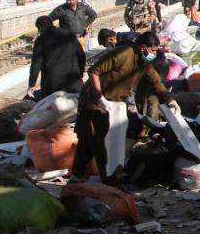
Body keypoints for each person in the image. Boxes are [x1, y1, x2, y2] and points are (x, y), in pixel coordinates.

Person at [73, 32, 176, 184]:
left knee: (88, 142)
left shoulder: (144, 63)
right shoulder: (122, 54)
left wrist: (170, 100)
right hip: (95, 102)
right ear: (143, 48)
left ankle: (76, 177)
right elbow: (93, 71)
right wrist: (100, 97)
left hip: (114, 105)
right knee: (101, 142)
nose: (155, 53)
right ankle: (109, 181)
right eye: (153, 50)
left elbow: (156, 83)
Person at [28, 16, 85, 99]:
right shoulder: (69, 34)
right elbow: (81, 56)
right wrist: (80, 73)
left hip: (52, 87)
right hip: (74, 82)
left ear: (41, 27)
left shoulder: (41, 40)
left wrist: (31, 86)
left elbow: (35, 66)